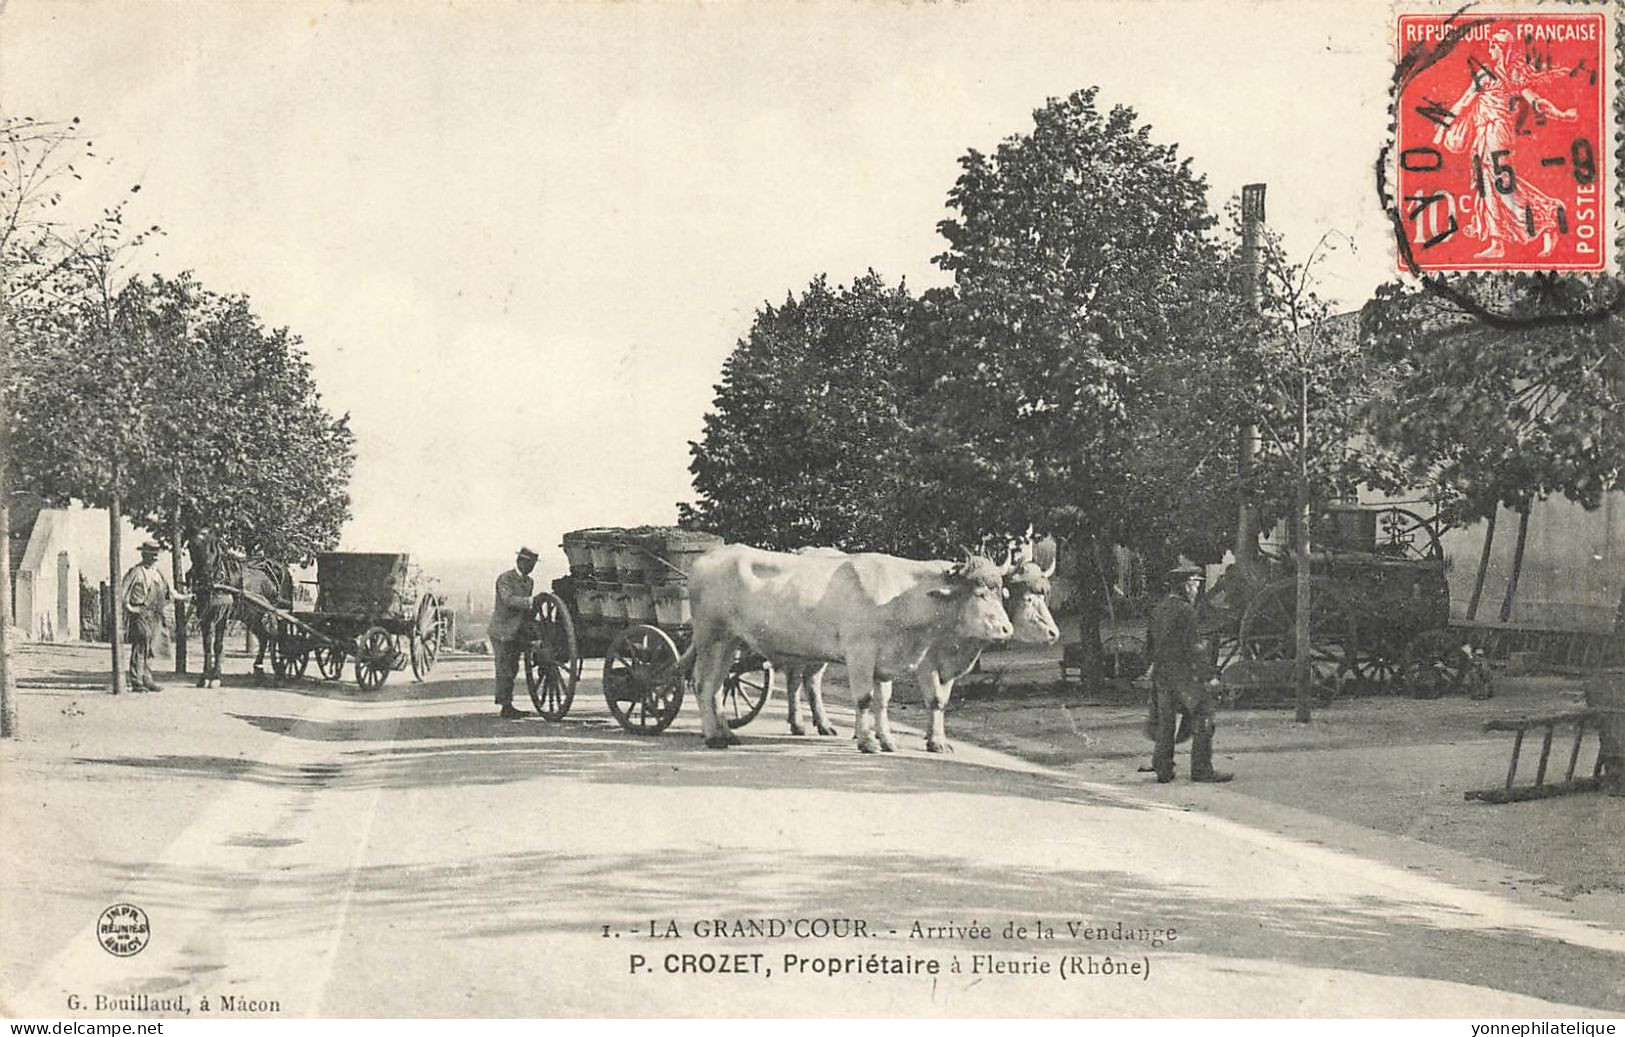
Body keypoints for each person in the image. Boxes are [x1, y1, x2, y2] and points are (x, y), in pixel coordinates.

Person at [1145, 565, 1231, 784]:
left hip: (1163, 675)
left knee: (1166, 722)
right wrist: (1208, 676)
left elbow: (1149, 645)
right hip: (1183, 677)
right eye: (1195, 585)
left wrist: (1152, 667)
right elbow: (1195, 647)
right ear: (1185, 586)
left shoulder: (1159, 608)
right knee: (1204, 714)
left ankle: (1163, 768)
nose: (1196, 590)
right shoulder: (1186, 610)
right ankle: (1201, 769)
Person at [119, 541, 190, 693]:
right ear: (144, 555)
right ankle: (136, 680)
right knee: (141, 645)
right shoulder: (136, 572)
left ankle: (147, 679)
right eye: (151, 555)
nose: (153, 558)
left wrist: (187, 597)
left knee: (152, 648)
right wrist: (130, 608)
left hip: (156, 615)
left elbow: (171, 593)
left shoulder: (159, 573)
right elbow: (121, 593)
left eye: (156, 556)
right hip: (141, 613)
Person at [490, 547, 540, 719]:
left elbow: (526, 610)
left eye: (534, 564)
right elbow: (508, 600)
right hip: (502, 630)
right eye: (530, 563)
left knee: (513, 667)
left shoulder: (529, 582)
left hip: (517, 631)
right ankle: (505, 706)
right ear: (521, 561)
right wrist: (530, 601)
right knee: (504, 668)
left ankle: (508, 704)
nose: (532, 567)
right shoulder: (505, 579)